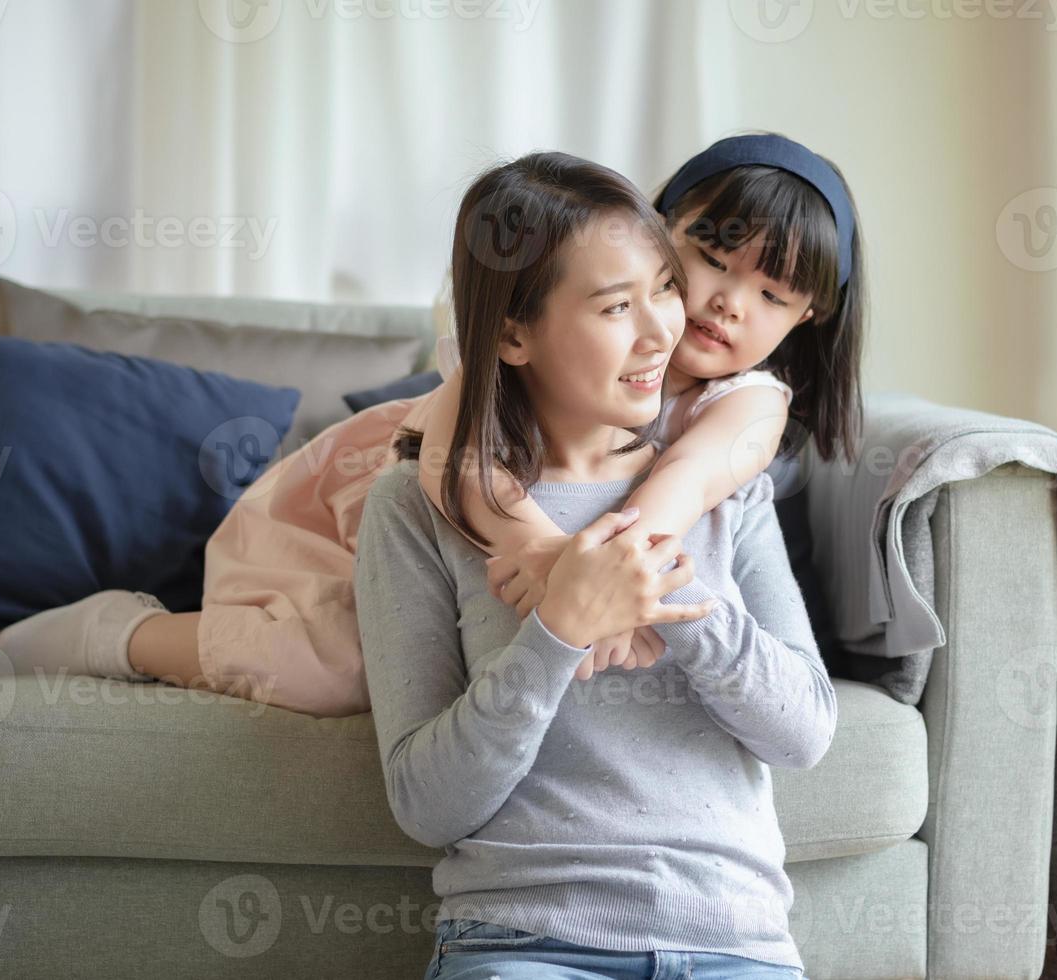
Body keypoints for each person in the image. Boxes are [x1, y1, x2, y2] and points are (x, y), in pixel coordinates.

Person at [0, 133, 866, 726]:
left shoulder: (746, 401)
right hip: (364, 515)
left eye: (773, 293)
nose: (720, 302)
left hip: (498, 567)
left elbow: (696, 477)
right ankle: (117, 635)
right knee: (328, 669)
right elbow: (454, 463)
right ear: (658, 225)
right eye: (706, 258)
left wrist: (610, 559)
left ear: (810, 319)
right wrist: (553, 561)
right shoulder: (550, 323)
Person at [356, 150, 836, 978]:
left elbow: (804, 734)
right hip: (523, 943)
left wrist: (660, 590)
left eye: (663, 290)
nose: (665, 331)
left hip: (734, 941)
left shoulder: (726, 484)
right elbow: (427, 806)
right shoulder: (416, 504)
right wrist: (557, 632)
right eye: (619, 305)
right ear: (513, 332)